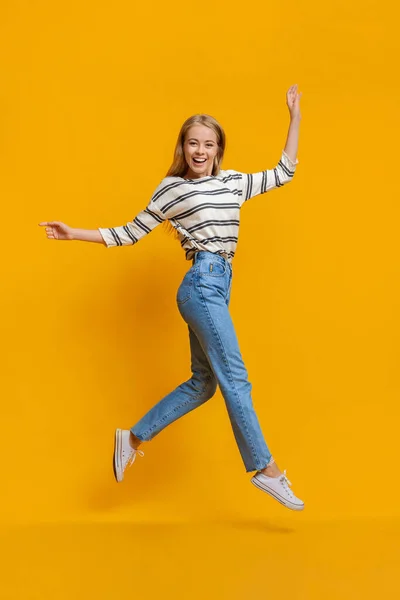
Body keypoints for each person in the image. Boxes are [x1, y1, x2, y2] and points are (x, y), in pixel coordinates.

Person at [39, 84, 304, 511]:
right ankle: (266, 469)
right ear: (183, 146)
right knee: (236, 379)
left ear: (219, 149)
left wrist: (294, 117)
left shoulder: (234, 183)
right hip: (202, 283)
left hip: (218, 284)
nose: (200, 150)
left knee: (204, 385)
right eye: (193, 142)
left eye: (209, 143)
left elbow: (284, 171)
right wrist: (75, 234)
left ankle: (132, 437)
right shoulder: (171, 190)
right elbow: (128, 233)